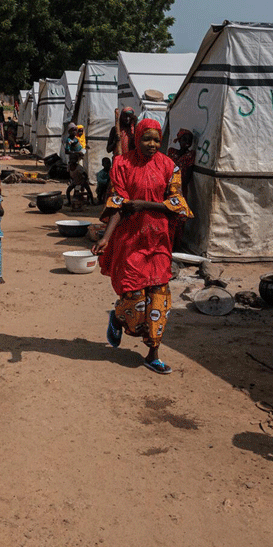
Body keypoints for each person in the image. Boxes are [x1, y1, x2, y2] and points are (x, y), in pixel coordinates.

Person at [92, 118, 193, 375]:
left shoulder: (170, 166)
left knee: (159, 298)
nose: (151, 144)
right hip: (130, 240)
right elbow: (117, 204)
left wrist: (146, 205)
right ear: (137, 137)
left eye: (156, 139)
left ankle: (153, 354)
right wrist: (105, 237)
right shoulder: (122, 164)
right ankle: (117, 316)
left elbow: (178, 203)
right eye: (146, 138)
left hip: (158, 240)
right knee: (134, 297)